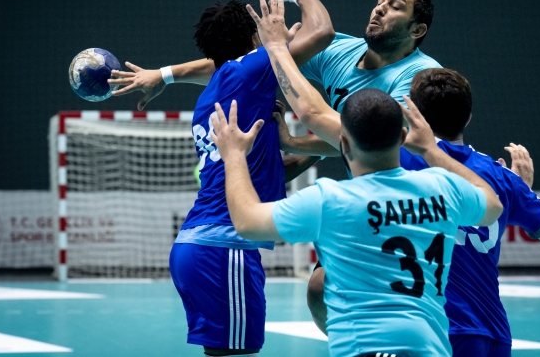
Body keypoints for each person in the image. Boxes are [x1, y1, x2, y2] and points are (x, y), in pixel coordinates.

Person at [113, 0, 334, 357]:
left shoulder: (212, 95)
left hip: (199, 248)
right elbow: (322, 32)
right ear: (253, 40)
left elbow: (262, 171)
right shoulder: (249, 71)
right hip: (223, 249)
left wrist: (328, 149)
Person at [208, 86, 503, 356]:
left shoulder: (328, 200)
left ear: (343, 144)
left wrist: (234, 155)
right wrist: (430, 149)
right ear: (403, 137)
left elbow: (246, 221)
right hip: (432, 349)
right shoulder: (443, 187)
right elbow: (492, 205)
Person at [107, 0, 441, 158]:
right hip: (368, 189)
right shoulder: (340, 52)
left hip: (416, 197)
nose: (379, 9)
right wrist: (165, 75)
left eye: (395, 6)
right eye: (380, 1)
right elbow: (252, 65)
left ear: (417, 30)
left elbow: (375, 142)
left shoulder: (419, 79)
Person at [400, 68, 540, 357]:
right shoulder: (501, 177)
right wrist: (522, 189)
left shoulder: (399, 159)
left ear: (416, 116)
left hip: (437, 330)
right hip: (493, 333)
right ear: (468, 117)